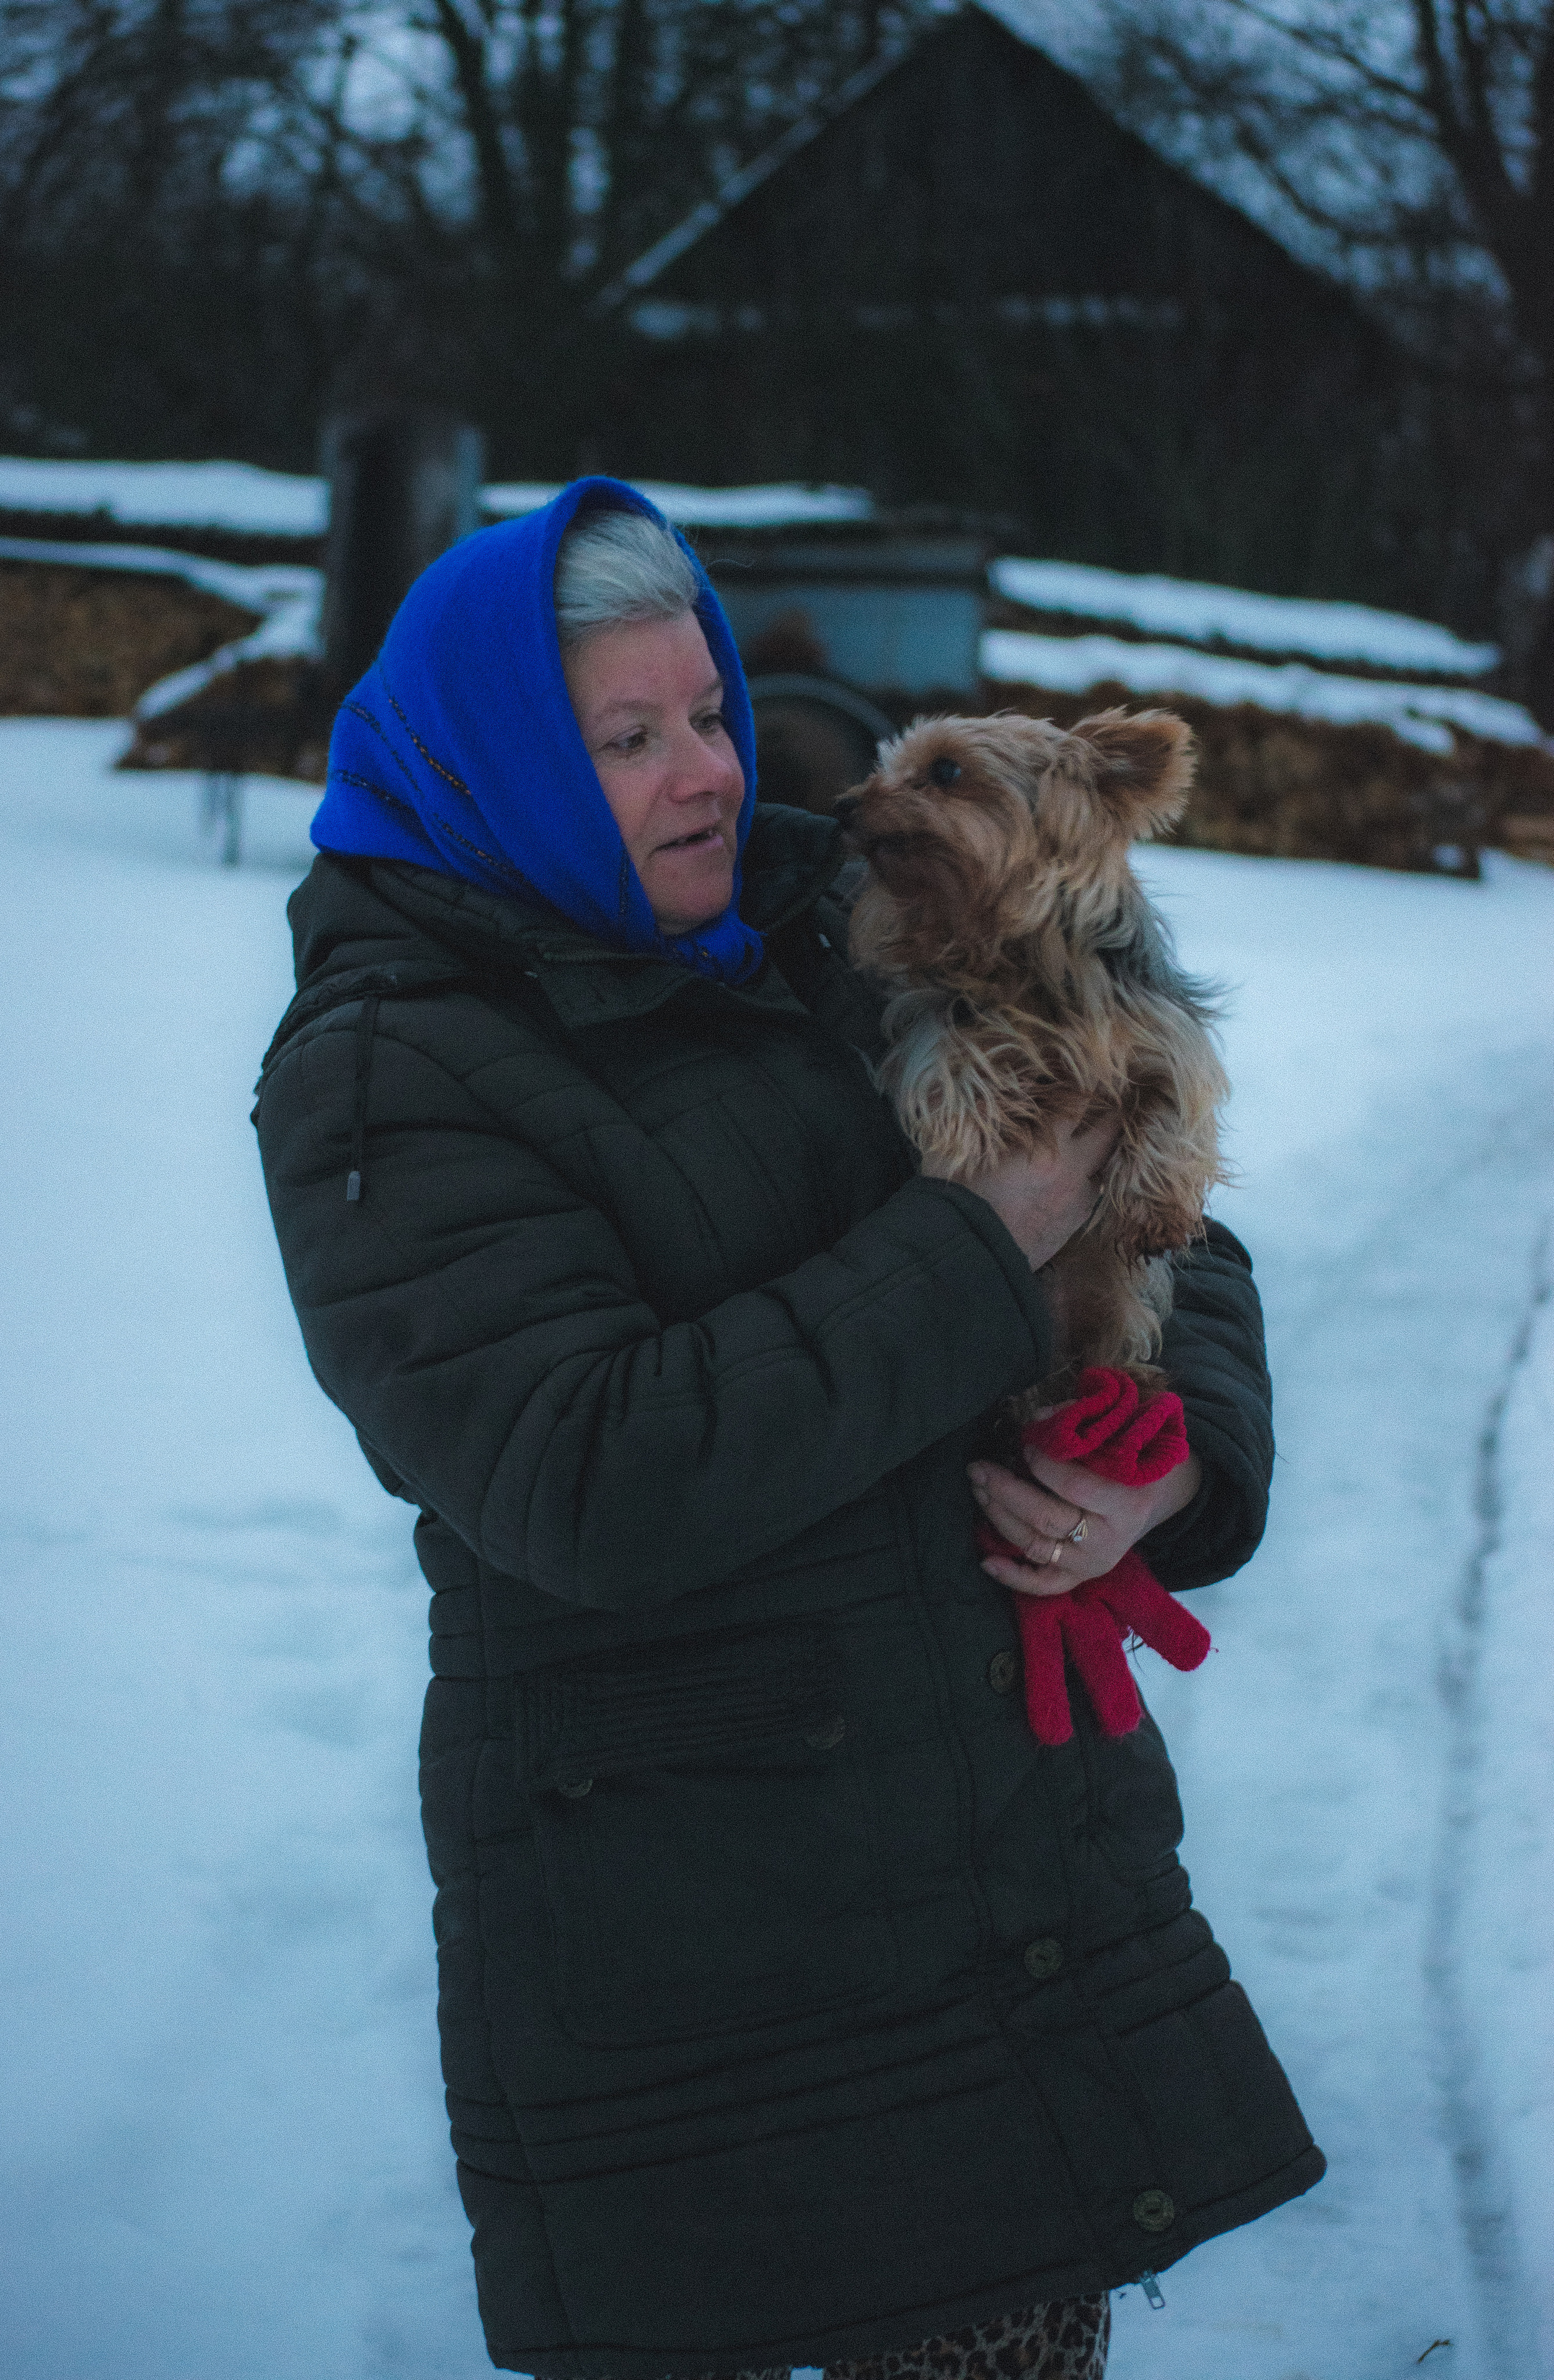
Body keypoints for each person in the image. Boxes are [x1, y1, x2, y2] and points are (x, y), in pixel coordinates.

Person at [255, 478, 1323, 2380]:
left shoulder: (838, 922)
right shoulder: (394, 1067)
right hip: (706, 1995)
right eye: (630, 738)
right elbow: (586, 1477)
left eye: (715, 714)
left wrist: (1168, 1452)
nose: (713, 776)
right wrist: (979, 1247)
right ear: (501, 756)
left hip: (1002, 1928)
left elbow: (1167, 1212)